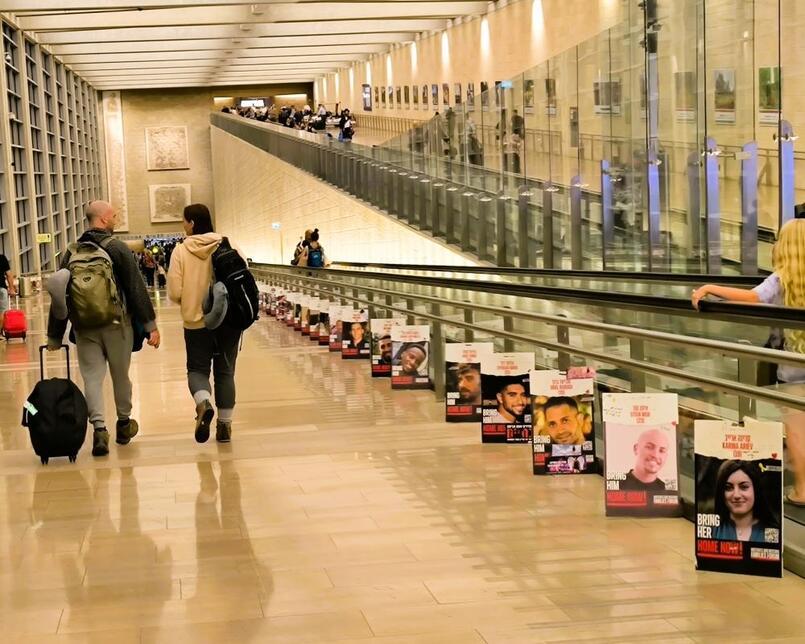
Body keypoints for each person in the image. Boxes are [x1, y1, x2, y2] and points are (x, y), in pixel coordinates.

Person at [692, 219, 805, 505]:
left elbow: (753, 297)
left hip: (793, 369)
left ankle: (803, 490)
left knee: (798, 430)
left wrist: (710, 288)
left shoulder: (782, 278)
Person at [46, 200, 160, 457]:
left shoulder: (70, 252)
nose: (116, 218)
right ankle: (123, 424)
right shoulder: (117, 248)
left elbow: (59, 293)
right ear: (103, 219)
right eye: (114, 215)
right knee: (121, 376)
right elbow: (135, 288)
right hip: (117, 325)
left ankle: (99, 430)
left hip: (85, 327)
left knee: (92, 379)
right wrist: (151, 326)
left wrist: (54, 334)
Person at [167, 203, 245, 444]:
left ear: (191, 223)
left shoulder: (180, 251)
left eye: (184, 220)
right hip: (229, 322)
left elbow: (174, 291)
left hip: (196, 322)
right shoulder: (228, 244)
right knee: (225, 372)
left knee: (197, 370)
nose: (183, 224)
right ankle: (224, 427)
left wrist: (191, 298)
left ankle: (203, 403)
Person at [712, 460, 778, 542]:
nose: (736, 495)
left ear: (756, 490)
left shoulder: (771, 532)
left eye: (744, 487)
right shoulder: (712, 530)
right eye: (728, 488)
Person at [0, 250, 17, 331]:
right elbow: (9, 275)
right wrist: (12, 289)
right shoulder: (2, 258)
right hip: (1, 289)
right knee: (3, 312)